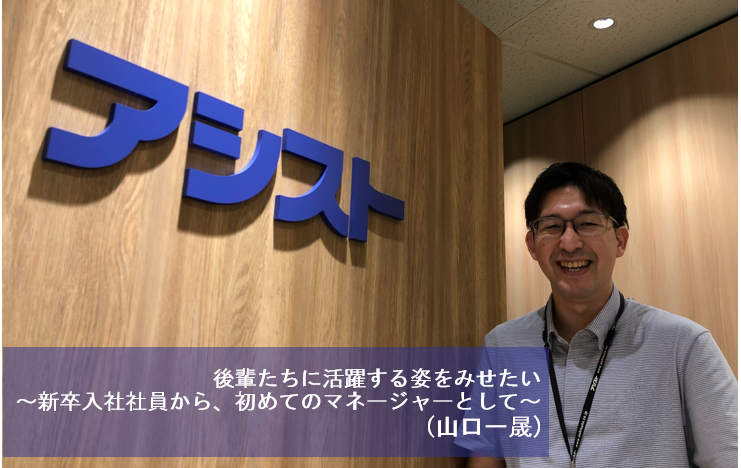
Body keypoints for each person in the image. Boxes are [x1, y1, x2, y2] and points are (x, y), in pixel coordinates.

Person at [454, 162, 738, 467]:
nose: (569, 242)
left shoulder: (683, 345)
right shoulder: (503, 345)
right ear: (532, 245)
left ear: (620, 240)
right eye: (551, 226)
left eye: (588, 223)